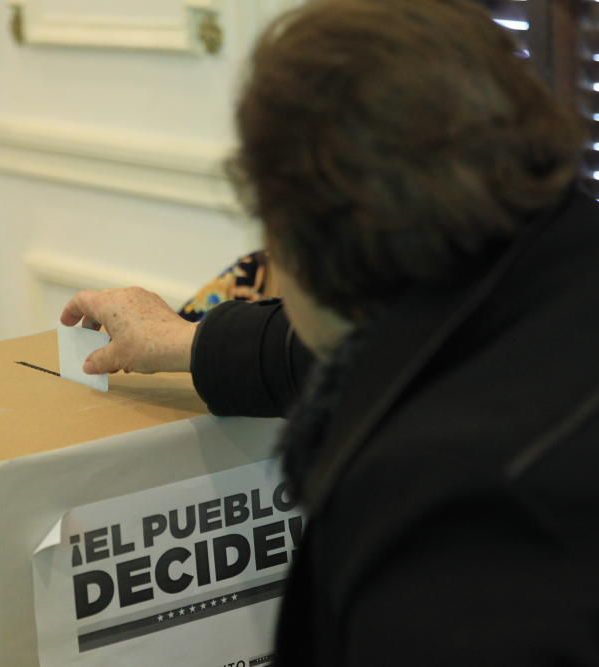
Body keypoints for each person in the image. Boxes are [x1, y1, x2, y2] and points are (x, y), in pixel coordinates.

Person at [60, 0, 599, 664]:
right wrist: (185, 341)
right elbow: (369, 346)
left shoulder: (446, 528)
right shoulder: (541, 275)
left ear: (301, 239)